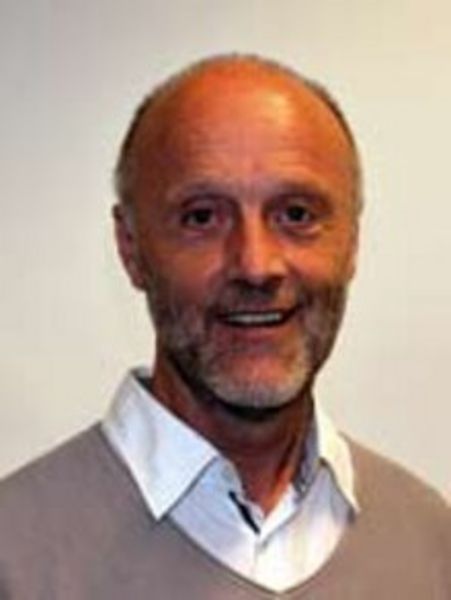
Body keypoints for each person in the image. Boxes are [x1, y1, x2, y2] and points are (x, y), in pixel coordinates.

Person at [0, 54, 449, 599]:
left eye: (297, 215)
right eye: (202, 217)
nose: (256, 266)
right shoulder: (15, 555)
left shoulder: (429, 545)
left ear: (352, 242)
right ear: (131, 248)